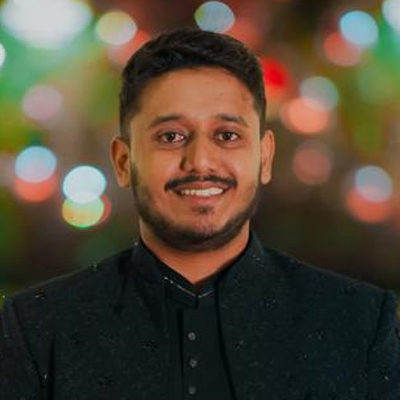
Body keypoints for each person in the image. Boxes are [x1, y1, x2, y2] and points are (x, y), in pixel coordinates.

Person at [1, 28, 399, 400]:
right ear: (123, 162)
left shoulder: (358, 322)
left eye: (227, 135)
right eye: (171, 136)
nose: (201, 161)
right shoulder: (38, 328)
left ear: (264, 157)